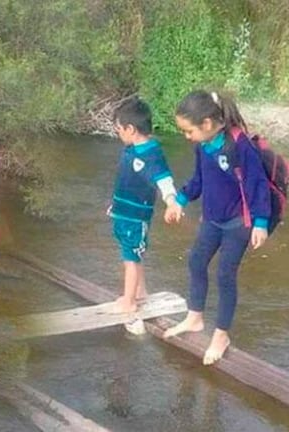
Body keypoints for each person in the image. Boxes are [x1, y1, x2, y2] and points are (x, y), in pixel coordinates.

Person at [162, 90, 270, 366]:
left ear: (207, 124)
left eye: (188, 131)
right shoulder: (202, 146)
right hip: (212, 218)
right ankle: (195, 317)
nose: (186, 137)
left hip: (238, 223)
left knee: (225, 274)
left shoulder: (239, 145)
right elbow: (198, 180)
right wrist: (180, 200)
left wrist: (260, 223)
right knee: (196, 261)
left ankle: (221, 335)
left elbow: (257, 185)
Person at [108, 97, 179, 315]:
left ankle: (129, 302)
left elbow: (164, 180)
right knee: (130, 254)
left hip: (136, 217)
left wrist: (171, 202)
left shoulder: (152, 154)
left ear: (130, 129)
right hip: (123, 212)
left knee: (131, 258)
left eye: (119, 129)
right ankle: (140, 293)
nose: (118, 133)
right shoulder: (132, 149)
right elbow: (126, 182)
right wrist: (115, 207)